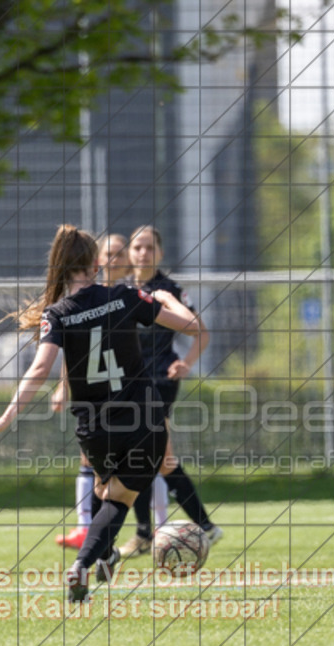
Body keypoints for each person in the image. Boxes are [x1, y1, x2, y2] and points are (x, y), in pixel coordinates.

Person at [0, 224, 202, 602]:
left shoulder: (56, 313)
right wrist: (164, 298)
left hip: (94, 427)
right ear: (96, 265)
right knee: (118, 500)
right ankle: (83, 563)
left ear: (61, 268)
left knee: (105, 491)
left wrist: (4, 418)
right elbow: (191, 327)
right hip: (142, 418)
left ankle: (104, 553)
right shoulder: (127, 297)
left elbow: (40, 369)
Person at [116, 225, 221, 560]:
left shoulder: (168, 289)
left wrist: (186, 363)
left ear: (159, 252)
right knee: (156, 459)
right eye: (137, 247)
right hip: (129, 383)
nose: (142, 253)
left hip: (159, 380)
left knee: (150, 455)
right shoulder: (120, 291)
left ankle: (154, 533)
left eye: (149, 247)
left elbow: (200, 332)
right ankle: (198, 527)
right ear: (129, 254)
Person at [53, 233, 131, 549]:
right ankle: (91, 534)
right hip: (97, 398)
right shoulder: (78, 302)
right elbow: (76, 351)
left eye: (117, 254)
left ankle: (150, 530)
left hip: (130, 393)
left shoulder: (127, 295)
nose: (112, 260)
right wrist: (63, 385)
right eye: (107, 254)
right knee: (96, 468)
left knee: (151, 464)